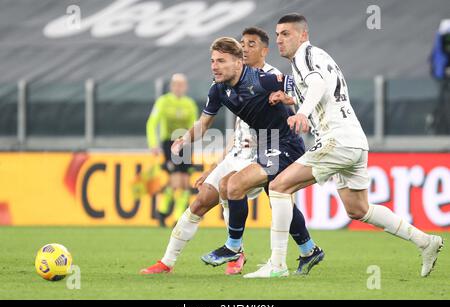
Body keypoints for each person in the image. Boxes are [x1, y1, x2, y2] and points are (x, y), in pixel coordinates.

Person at [243, 13, 443, 279]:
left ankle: (277, 265)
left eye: (286, 34)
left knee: (279, 187)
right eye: (278, 34)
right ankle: (425, 241)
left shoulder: (304, 55)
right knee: (358, 209)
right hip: (355, 142)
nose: (280, 39)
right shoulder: (319, 57)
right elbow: (324, 89)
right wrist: (293, 98)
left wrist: (301, 111)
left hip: (336, 140)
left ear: (303, 35)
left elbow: (317, 84)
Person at [140, 32, 323, 276]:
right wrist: (184, 138)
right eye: (213, 61)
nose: (215, 66)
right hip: (259, 149)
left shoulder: (264, 79)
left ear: (239, 63)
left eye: (221, 61)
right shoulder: (218, 90)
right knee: (242, 189)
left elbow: (306, 86)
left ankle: (237, 249)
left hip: (284, 144)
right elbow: (204, 124)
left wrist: (291, 101)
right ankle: (306, 249)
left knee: (239, 186)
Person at [145, 73, 198, 227]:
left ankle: (167, 214)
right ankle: (173, 216)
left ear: (186, 87)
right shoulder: (163, 101)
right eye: (176, 84)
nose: (179, 88)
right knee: (177, 180)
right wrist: (153, 144)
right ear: (171, 86)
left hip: (185, 143)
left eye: (182, 85)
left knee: (185, 181)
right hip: (169, 143)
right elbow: (151, 123)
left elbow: (194, 126)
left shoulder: (189, 104)